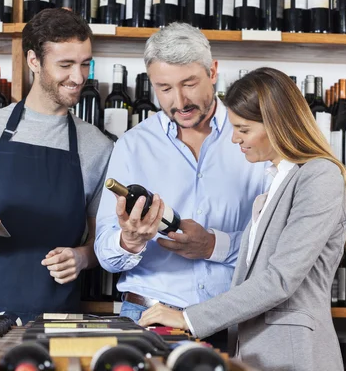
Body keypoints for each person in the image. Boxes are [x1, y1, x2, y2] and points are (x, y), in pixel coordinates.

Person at [138, 67, 346, 371]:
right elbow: (264, 252)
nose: (234, 139)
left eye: (243, 129)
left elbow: (280, 279)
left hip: (294, 354)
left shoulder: (320, 176)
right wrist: (208, 242)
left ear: (276, 124)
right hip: (255, 351)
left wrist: (187, 317)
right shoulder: (275, 184)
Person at [0, 9, 113, 323]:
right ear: (33, 61)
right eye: (65, 65)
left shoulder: (98, 146)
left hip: (58, 319)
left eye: (85, 64)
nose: (79, 77)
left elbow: (103, 242)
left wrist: (82, 257)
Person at [94, 23, 268, 323]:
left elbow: (277, 244)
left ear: (212, 72)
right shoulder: (132, 146)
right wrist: (129, 241)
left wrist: (214, 245)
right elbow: (104, 253)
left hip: (233, 316)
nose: (179, 101)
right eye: (164, 88)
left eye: (189, 83)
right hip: (148, 315)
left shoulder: (258, 138)